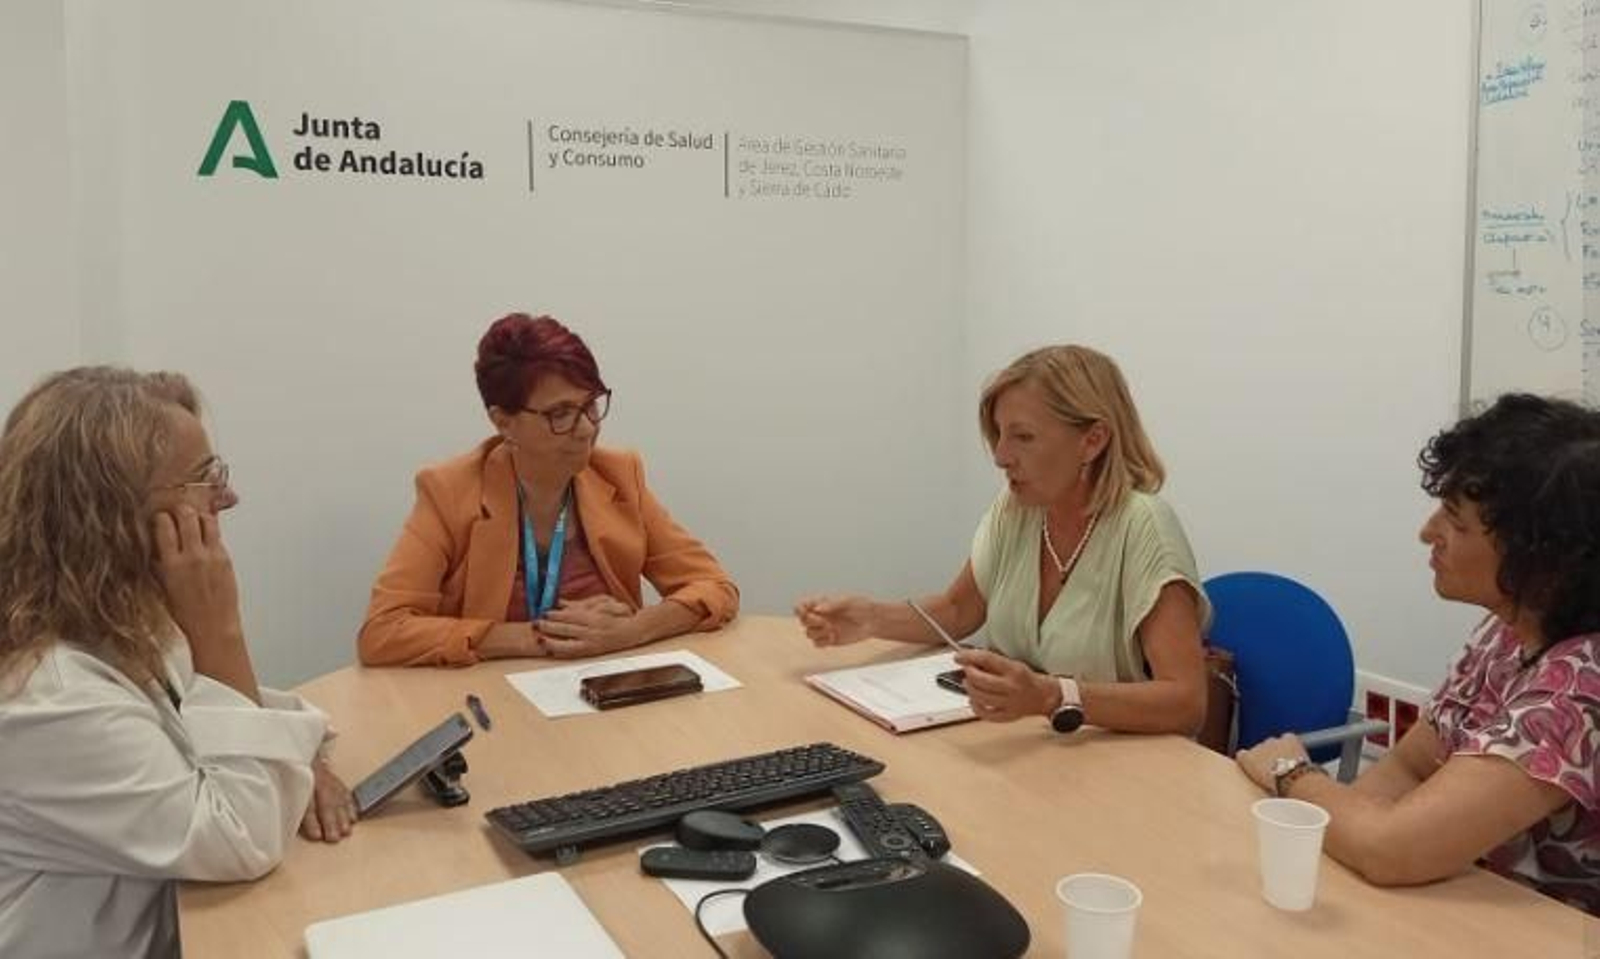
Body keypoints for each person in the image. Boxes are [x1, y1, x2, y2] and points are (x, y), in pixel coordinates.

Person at [0, 367, 354, 959]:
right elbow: (242, 836)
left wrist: (300, 758)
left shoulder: (119, 615)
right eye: (204, 478)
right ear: (111, 513)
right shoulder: (47, 694)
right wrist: (222, 630)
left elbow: (215, 720)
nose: (229, 497)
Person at [1237, 394, 1600, 912]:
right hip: (1450, 903)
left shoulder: (1578, 691)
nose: (1428, 533)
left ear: (1538, 554)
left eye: (1455, 522)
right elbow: (1409, 768)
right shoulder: (1505, 631)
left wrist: (1292, 775)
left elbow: (1392, 849)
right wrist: (1347, 836)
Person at [796, 345, 1211, 735]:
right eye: (998, 434)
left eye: (1023, 437)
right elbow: (959, 609)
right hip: (1035, 747)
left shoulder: (1145, 527)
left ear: (1093, 440)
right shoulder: (1018, 509)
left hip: (1125, 763)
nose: (1000, 455)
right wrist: (872, 618)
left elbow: (1186, 701)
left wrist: (1053, 696)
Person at [359, 313, 739, 666]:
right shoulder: (450, 492)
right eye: (560, 414)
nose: (587, 428)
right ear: (503, 422)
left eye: (591, 405)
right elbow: (383, 632)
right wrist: (531, 637)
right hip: (497, 706)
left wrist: (632, 630)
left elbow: (715, 587)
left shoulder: (619, 476)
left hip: (607, 700)